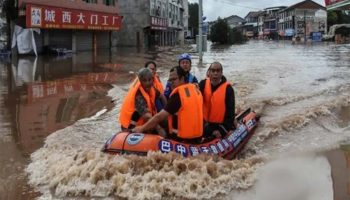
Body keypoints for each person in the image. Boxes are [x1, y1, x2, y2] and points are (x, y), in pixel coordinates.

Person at [132, 66, 203, 143]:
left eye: (174, 79)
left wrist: (141, 128)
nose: (171, 83)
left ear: (182, 78)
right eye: (170, 80)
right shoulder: (195, 89)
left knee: (158, 124)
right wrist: (167, 107)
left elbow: (158, 117)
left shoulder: (178, 95)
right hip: (198, 136)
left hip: (182, 138)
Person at [119, 68, 165, 135]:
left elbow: (162, 96)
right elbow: (147, 116)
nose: (148, 83)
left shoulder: (152, 88)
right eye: (144, 81)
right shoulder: (138, 94)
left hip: (142, 123)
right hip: (130, 127)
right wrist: (159, 129)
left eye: (149, 80)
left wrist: (167, 111)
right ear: (140, 81)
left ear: (152, 79)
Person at [199, 62, 235, 139]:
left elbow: (230, 113)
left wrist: (222, 130)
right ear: (209, 72)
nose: (215, 73)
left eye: (218, 71)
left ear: (221, 73)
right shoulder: (202, 84)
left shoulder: (228, 89)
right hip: (204, 124)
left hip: (219, 125)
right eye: (213, 71)